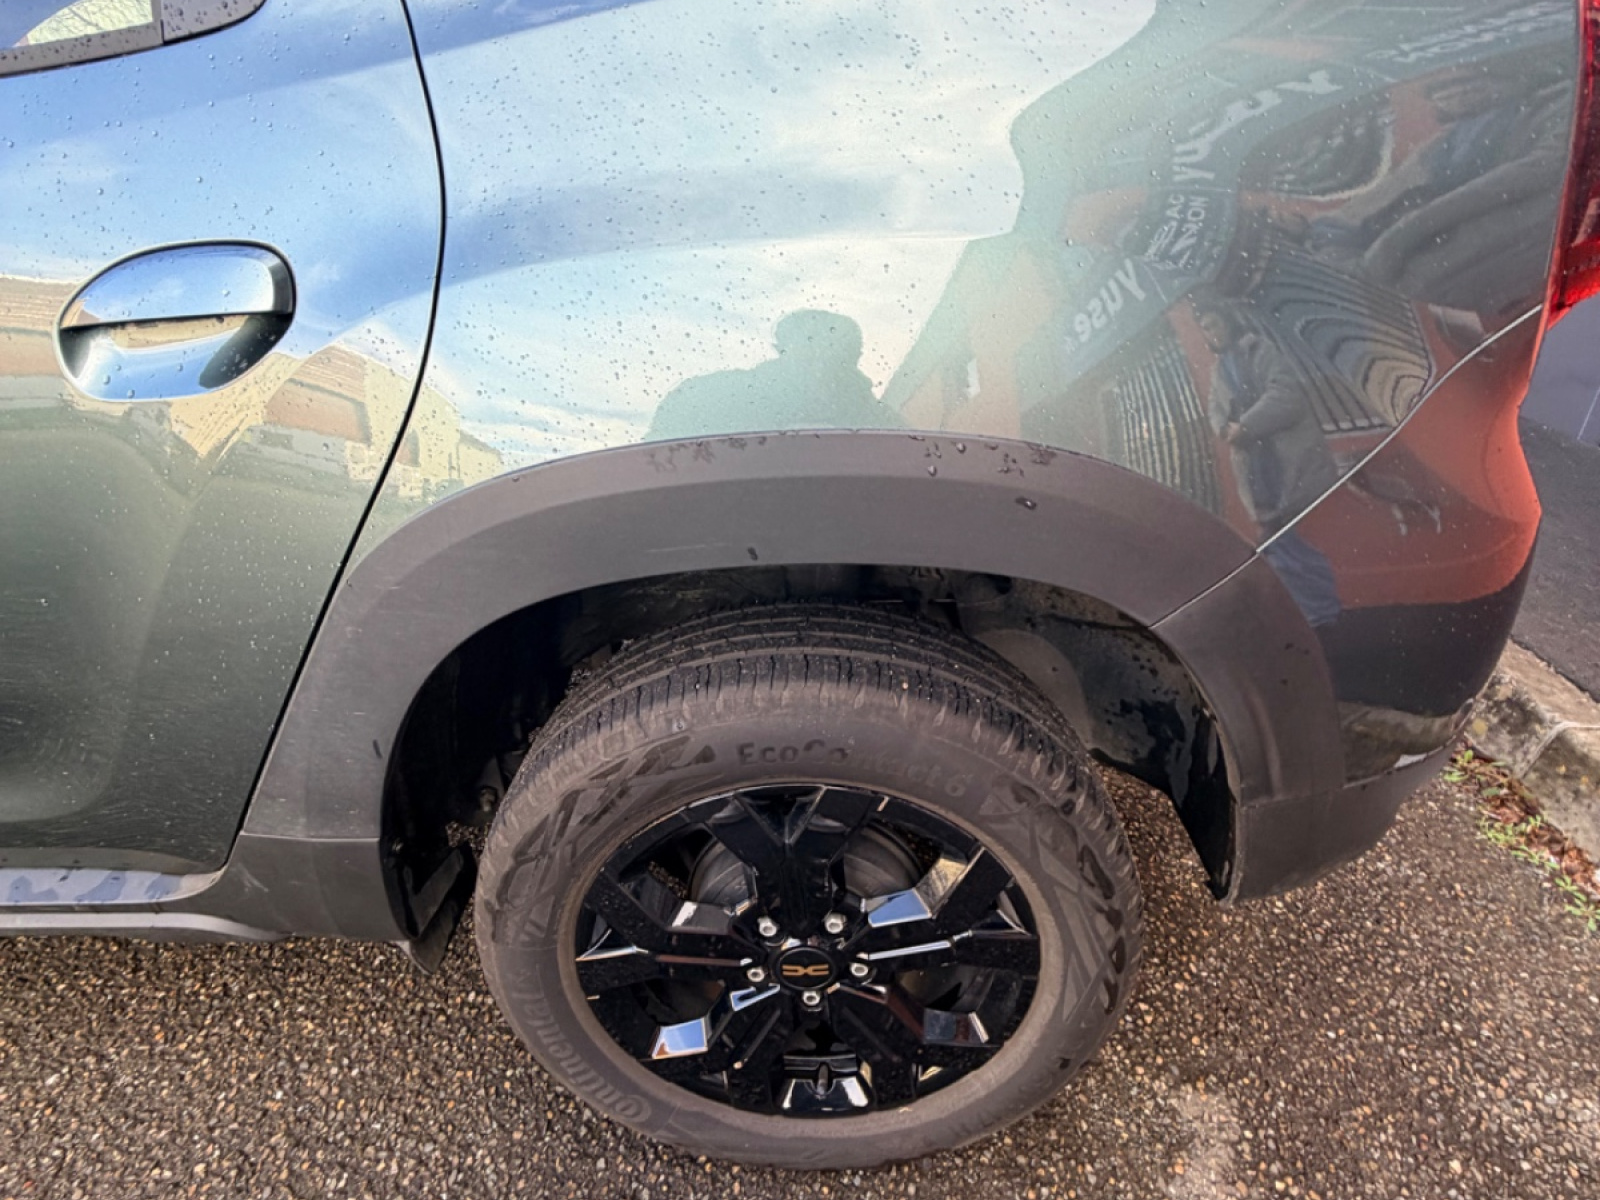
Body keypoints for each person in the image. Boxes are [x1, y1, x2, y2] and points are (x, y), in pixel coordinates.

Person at [1196, 297, 1342, 627]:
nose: (1211, 332)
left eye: (1214, 324)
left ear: (1228, 322)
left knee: (1298, 537)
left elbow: (1287, 396)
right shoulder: (1218, 371)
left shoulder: (1259, 350)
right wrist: (1225, 429)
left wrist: (1245, 426)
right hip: (1256, 471)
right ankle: (1315, 613)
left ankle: (1324, 612)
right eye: (1205, 328)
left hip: (1287, 462)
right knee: (1278, 538)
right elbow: (1214, 411)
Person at [649, 310, 900, 440]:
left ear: (857, 356)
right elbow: (653, 466)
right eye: (811, 342)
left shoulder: (885, 424)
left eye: (842, 346)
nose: (825, 353)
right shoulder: (704, 398)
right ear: (781, 349)